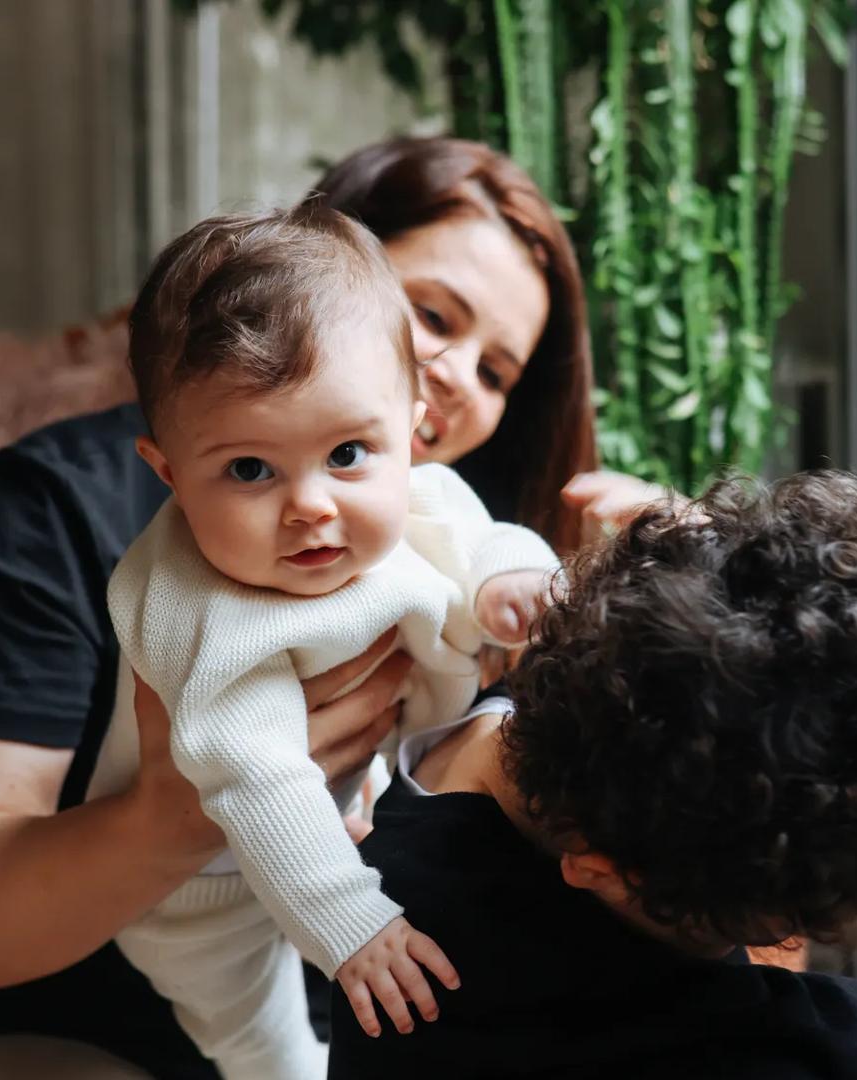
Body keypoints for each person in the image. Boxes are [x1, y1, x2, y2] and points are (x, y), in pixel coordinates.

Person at [0, 137, 658, 1079]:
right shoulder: (80, 522)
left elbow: (489, 570)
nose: (452, 377)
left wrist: (628, 602)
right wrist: (184, 815)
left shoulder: (424, 511)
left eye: (495, 373)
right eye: (434, 316)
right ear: (316, 264)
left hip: (379, 1005)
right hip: (81, 1023)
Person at [327, 472, 857, 1080]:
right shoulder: (618, 1020)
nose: (782, 942)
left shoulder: (500, 721)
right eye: (768, 927)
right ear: (596, 868)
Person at [107, 203, 561, 1077]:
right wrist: (353, 924)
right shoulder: (212, 611)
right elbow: (260, 780)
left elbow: (480, 534)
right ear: (168, 472)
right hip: (199, 891)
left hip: (361, 795)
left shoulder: (415, 492)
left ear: (409, 415)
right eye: (249, 470)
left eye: (349, 453)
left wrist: (511, 579)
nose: (312, 504)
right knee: (260, 1041)